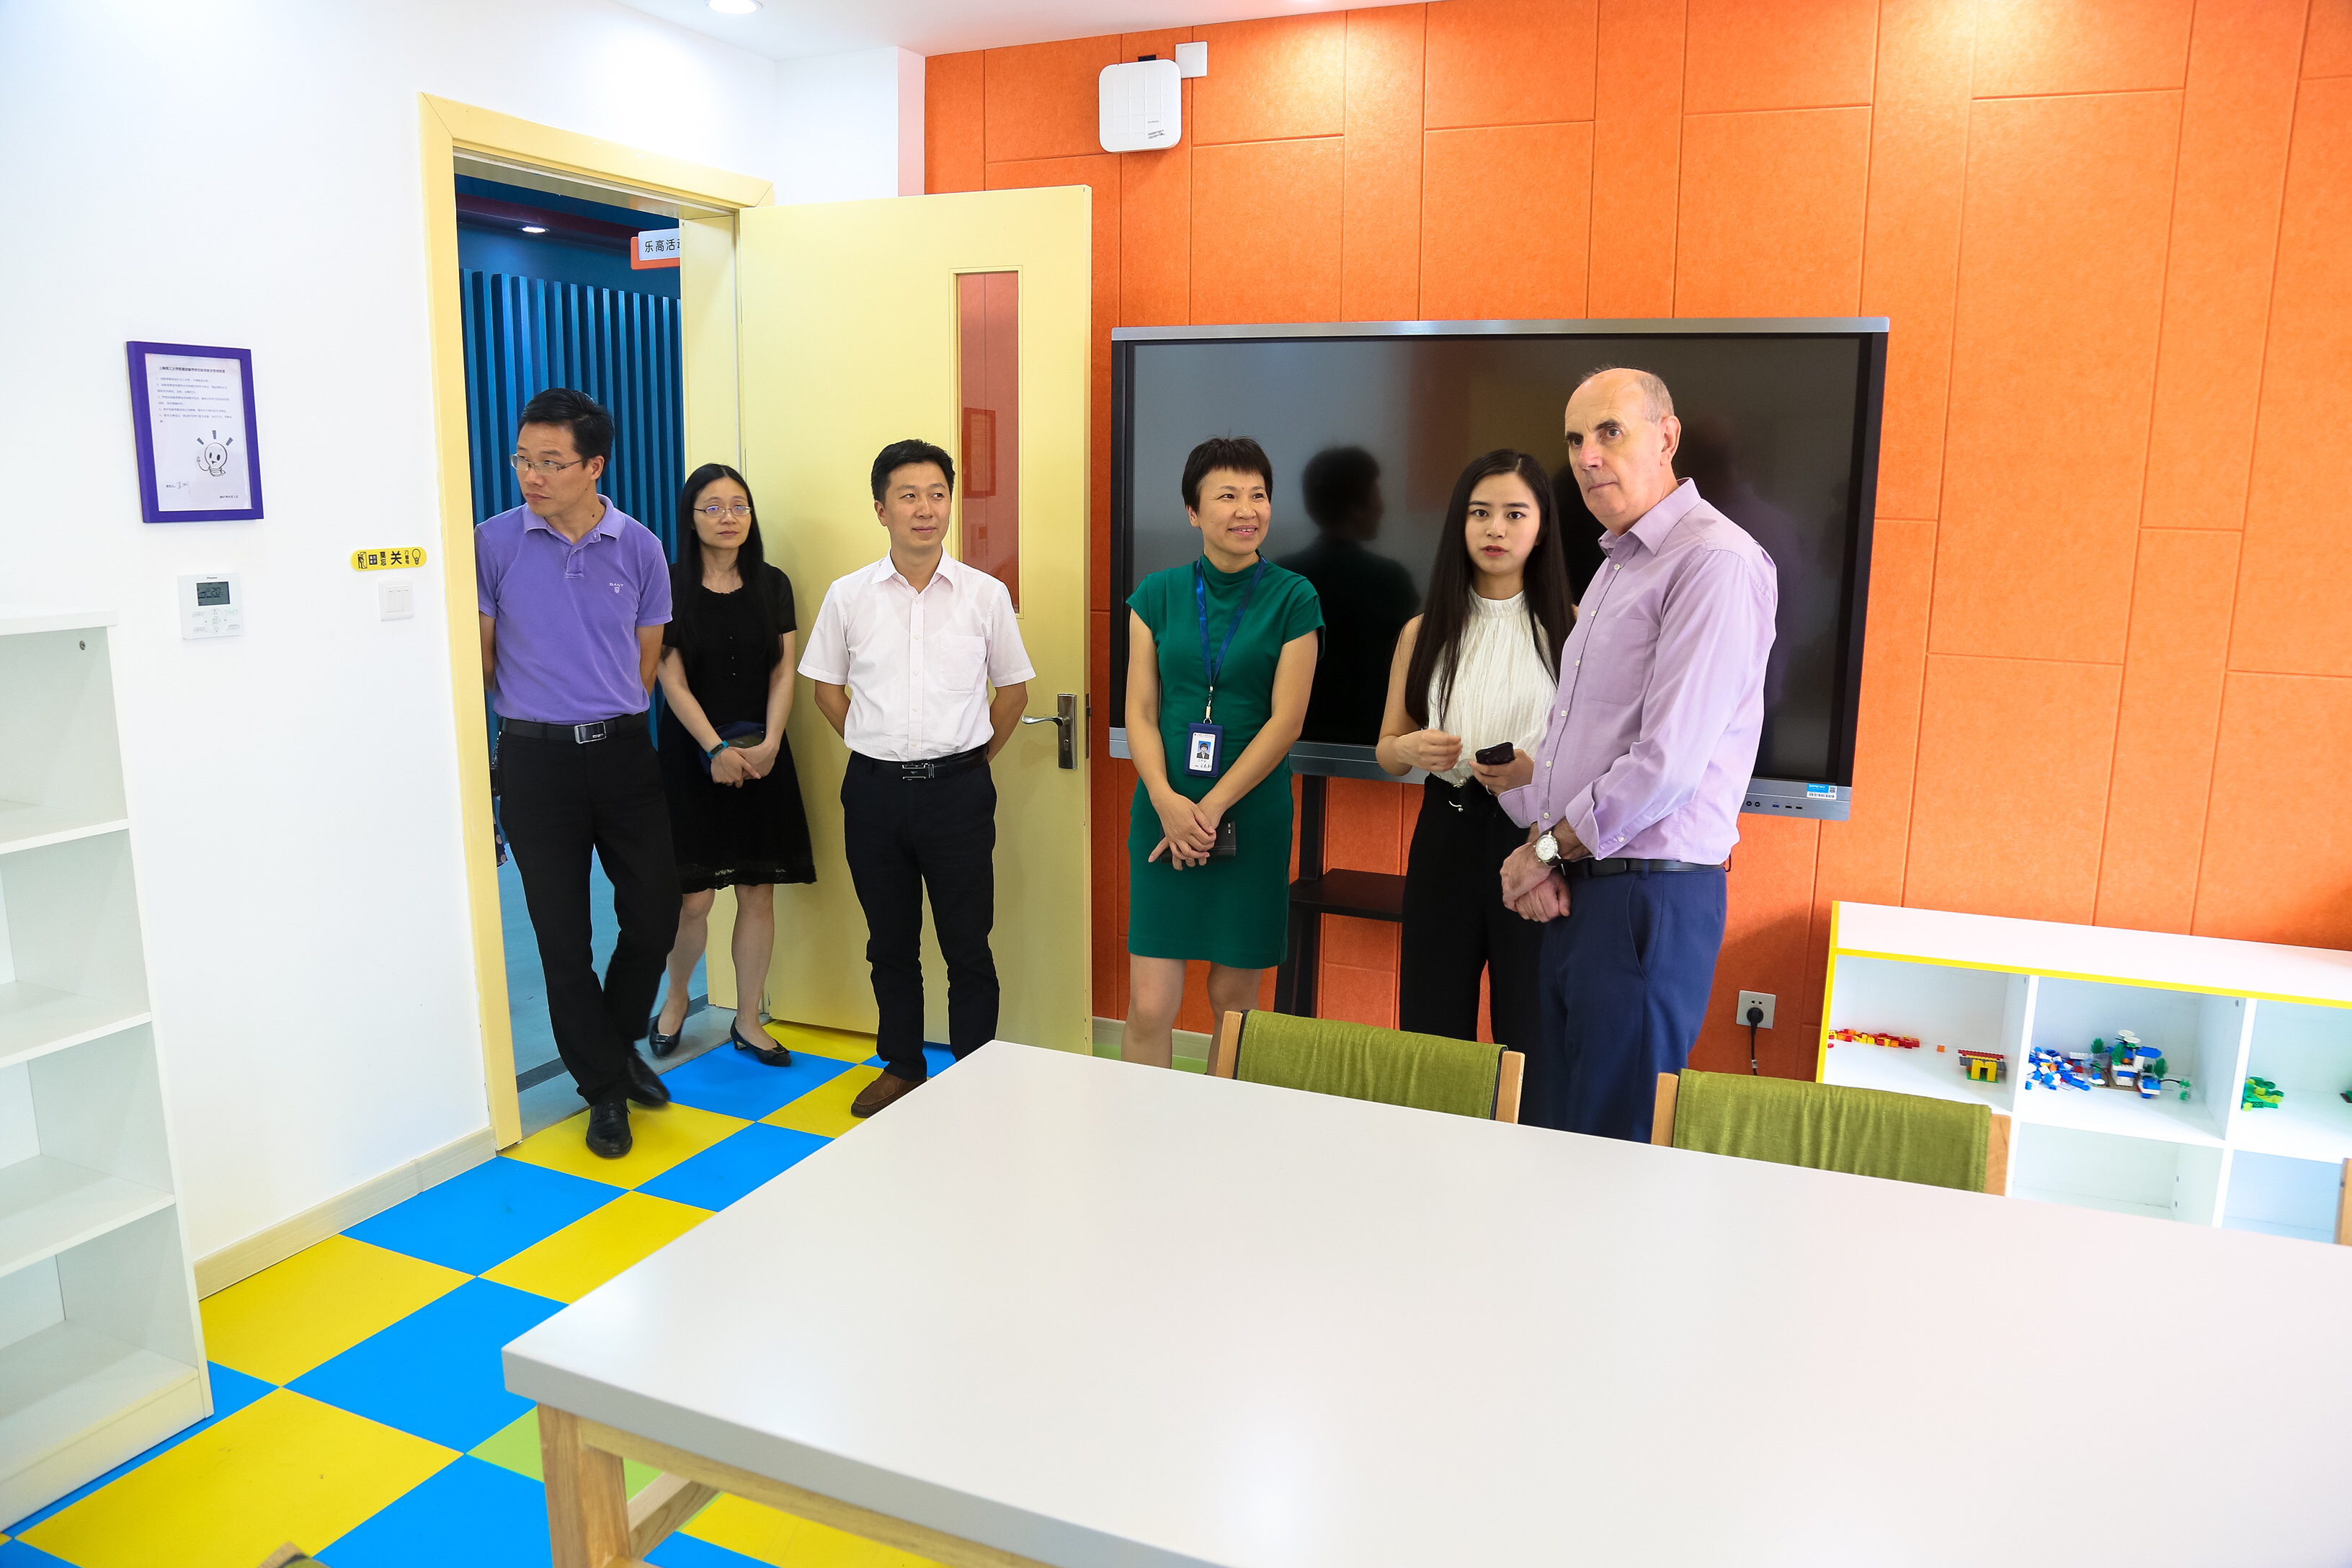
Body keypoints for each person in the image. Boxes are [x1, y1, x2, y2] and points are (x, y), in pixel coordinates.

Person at [1493, 368, 1777, 1140]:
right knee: (1557, 1134)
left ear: (1667, 437)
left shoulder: (1713, 562)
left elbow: (1666, 765)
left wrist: (1542, 849)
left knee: (1614, 1151)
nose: (1587, 456)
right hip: (1581, 886)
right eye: (1575, 439)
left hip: (1644, 899)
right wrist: (1543, 846)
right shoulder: (1621, 563)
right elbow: (1580, 743)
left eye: (1609, 432)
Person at [799, 439, 1033, 1117]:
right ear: (881, 509)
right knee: (890, 944)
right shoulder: (848, 596)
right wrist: (875, 746)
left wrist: (969, 762)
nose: (926, 508)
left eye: (937, 494)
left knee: (968, 946)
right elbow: (826, 690)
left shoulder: (985, 595)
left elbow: (1013, 694)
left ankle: (976, 1072)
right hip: (873, 793)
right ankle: (902, 1066)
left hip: (958, 793)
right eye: (908, 496)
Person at [476, 386, 677, 1159]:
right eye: (523, 459)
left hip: (624, 754)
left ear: (594, 466)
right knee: (563, 938)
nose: (532, 475)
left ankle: (613, 1045)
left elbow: (645, 661)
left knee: (654, 913)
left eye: (551, 462)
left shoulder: (641, 547)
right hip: (536, 761)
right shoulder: (492, 544)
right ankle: (604, 1089)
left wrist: (606, 716)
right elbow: (481, 661)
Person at [1123, 437, 1322, 1067]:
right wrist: (1167, 803)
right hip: (1163, 814)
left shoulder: (1294, 597)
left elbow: (1286, 722)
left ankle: (1223, 1128)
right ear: (1193, 511)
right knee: (1150, 1005)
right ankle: (1141, 1126)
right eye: (1227, 495)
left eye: (1258, 495)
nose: (1246, 510)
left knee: (1235, 1007)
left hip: (1249, 818)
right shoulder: (1156, 594)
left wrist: (1206, 811)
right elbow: (1140, 712)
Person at [1376, 450, 1576, 1051]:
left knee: (1532, 1029)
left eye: (1515, 514)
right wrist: (1411, 746)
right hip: (1446, 830)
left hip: (1535, 839)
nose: (1496, 529)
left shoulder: (1574, 630)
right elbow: (1386, 751)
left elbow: (1599, 762)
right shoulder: (1422, 631)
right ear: (1459, 524)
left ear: (1542, 527)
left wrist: (1534, 774)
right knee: (1432, 1030)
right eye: (1480, 513)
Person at [648, 463, 816, 1069]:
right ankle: (676, 999)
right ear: (691, 518)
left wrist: (770, 744)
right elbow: (670, 679)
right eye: (713, 507)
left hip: (763, 756)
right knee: (693, 900)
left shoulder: (773, 583)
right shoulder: (668, 584)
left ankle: (748, 1019)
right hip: (692, 759)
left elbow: (783, 670)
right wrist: (716, 750)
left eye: (739, 506)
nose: (728, 518)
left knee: (757, 891)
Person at [1276, 445, 1417, 744]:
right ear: (1356, 507)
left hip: (1288, 743)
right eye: (1377, 494)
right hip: (1375, 746)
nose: (1383, 507)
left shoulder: (1281, 577)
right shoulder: (1390, 581)